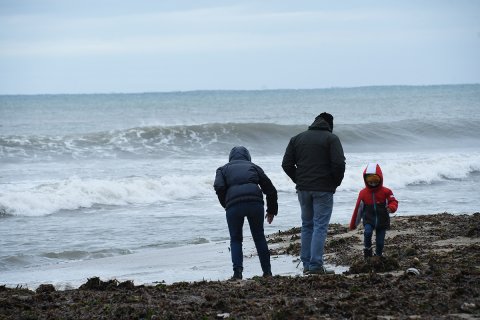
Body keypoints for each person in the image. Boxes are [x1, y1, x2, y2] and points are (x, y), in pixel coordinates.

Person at [282, 112, 345, 275]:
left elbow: (286, 164)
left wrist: (299, 179)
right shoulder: (331, 139)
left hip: (303, 189)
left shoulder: (297, 138)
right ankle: (316, 265)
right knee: (320, 226)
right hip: (323, 189)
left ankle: (307, 264)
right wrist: (335, 182)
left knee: (307, 225)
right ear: (329, 125)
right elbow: (338, 164)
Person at [214, 146, 278, 280]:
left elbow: (219, 187)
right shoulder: (254, 167)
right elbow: (270, 189)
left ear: (230, 158)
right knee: (259, 236)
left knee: (236, 239)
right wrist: (271, 210)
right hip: (255, 203)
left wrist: (226, 204)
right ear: (248, 157)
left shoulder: (222, 169)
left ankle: (237, 273)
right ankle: (267, 272)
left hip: (234, 205)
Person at [349, 163, 399, 258]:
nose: (373, 184)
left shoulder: (386, 191)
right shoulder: (363, 193)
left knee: (380, 242)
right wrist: (353, 224)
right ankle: (367, 253)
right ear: (365, 180)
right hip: (369, 220)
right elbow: (358, 209)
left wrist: (391, 208)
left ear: (380, 179)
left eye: (375, 181)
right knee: (367, 233)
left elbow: (393, 201)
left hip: (382, 221)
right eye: (370, 181)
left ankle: (378, 256)